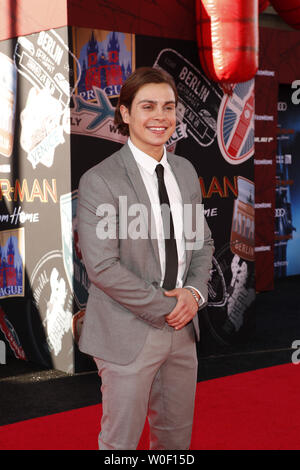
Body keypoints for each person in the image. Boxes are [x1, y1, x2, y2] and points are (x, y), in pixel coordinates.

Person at [77, 66, 214, 450]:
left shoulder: (185, 171)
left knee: (174, 440)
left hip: (184, 330)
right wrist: (167, 307)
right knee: (120, 444)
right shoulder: (101, 180)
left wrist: (194, 296)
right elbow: (102, 267)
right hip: (127, 332)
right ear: (124, 113)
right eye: (148, 106)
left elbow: (201, 244)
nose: (160, 117)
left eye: (169, 107)